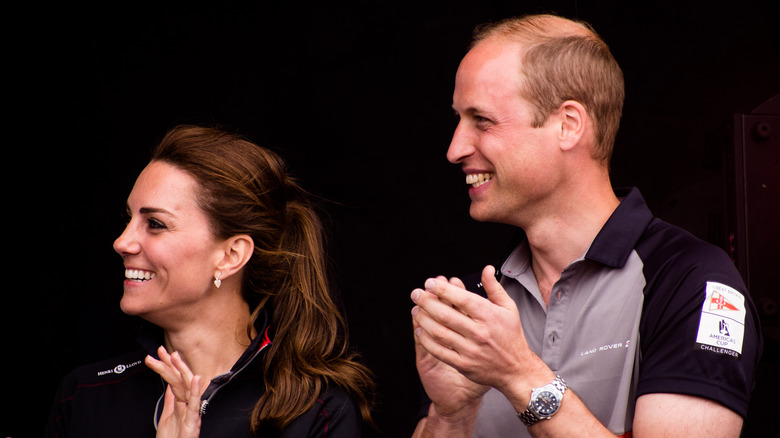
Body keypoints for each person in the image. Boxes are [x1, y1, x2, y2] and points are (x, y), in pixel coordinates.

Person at [410, 13, 762, 438]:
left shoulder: (690, 282)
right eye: (458, 120)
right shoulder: (477, 302)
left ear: (568, 125)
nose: (454, 149)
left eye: (482, 120)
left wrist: (520, 375)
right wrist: (451, 415)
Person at [47, 124, 374, 437]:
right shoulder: (86, 396)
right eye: (128, 219)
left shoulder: (316, 412)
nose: (122, 242)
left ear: (231, 255)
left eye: (156, 224)